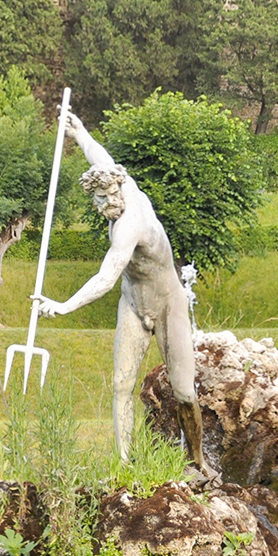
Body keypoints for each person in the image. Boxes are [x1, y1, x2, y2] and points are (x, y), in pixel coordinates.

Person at [33, 111, 208, 473]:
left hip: (166, 302)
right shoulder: (115, 181)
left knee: (184, 393)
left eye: (102, 199)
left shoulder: (131, 224)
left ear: (117, 190)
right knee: (121, 384)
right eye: (95, 199)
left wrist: (65, 307)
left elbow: (106, 276)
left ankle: (198, 461)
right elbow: (101, 158)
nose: (99, 207)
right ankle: (125, 466)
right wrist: (80, 134)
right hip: (133, 301)